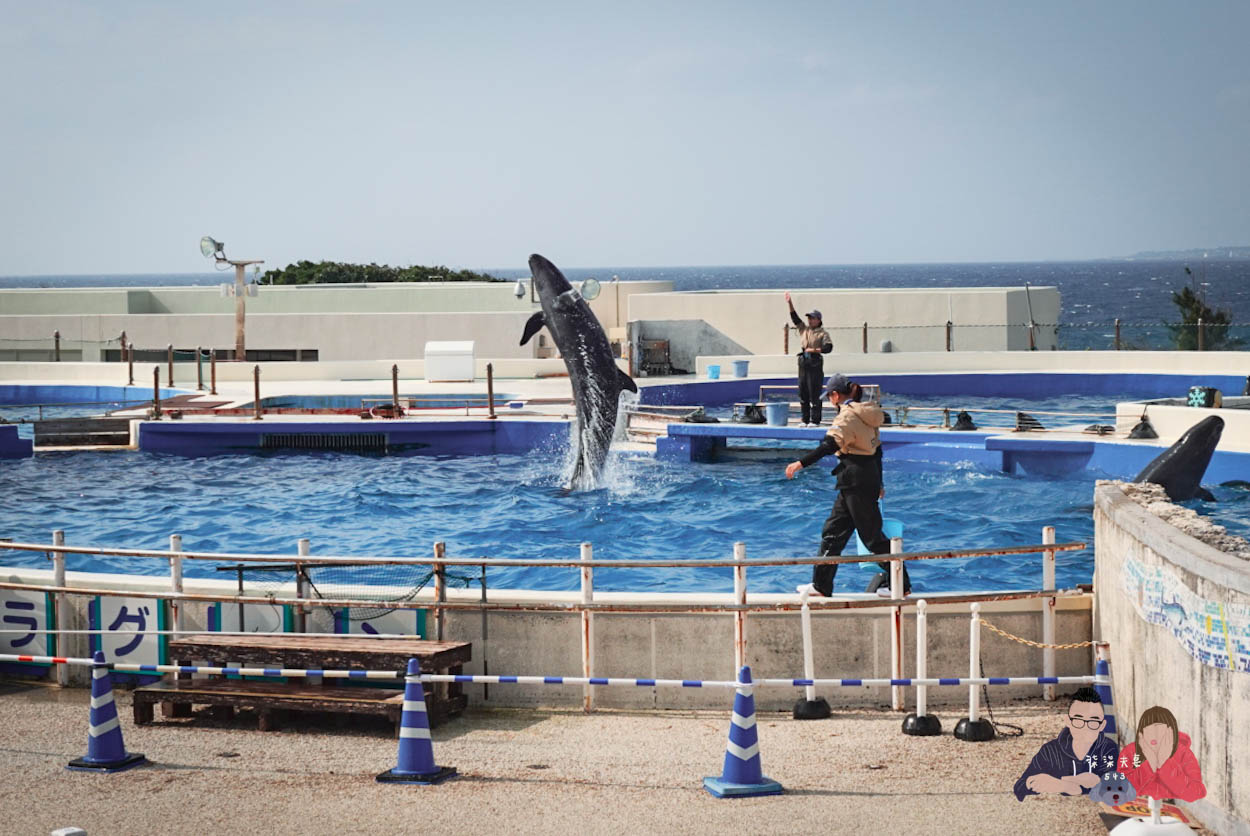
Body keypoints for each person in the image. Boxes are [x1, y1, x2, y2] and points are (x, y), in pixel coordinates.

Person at [785, 374, 909, 596]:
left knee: (872, 538)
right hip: (861, 479)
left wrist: (801, 463)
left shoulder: (847, 417)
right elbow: (877, 451)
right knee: (833, 533)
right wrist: (879, 481)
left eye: (829, 396)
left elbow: (830, 444)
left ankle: (901, 584)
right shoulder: (867, 414)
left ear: (835, 395)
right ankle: (821, 585)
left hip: (855, 480)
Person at [1013, 686, 1119, 801]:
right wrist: (1032, 782)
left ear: (1102, 725)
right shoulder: (1051, 750)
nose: (1085, 728)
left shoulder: (1108, 748)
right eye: (1078, 720)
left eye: (1093, 722)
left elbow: (1115, 788)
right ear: (1068, 721)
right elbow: (1019, 787)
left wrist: (1063, 784)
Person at [1117, 705, 1205, 803]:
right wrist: (1149, 765)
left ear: (1170, 732)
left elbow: (1195, 792)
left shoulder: (1184, 755)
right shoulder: (1130, 752)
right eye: (1148, 730)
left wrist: (1164, 763)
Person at [785, 292, 832, 426]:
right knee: (803, 391)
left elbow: (829, 348)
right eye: (809, 318)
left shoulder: (823, 333)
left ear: (818, 320)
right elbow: (794, 318)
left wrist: (815, 350)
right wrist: (789, 303)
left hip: (815, 362)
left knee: (814, 392)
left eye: (812, 318)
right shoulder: (803, 329)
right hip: (803, 362)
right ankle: (804, 419)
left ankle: (815, 420)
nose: (809, 320)